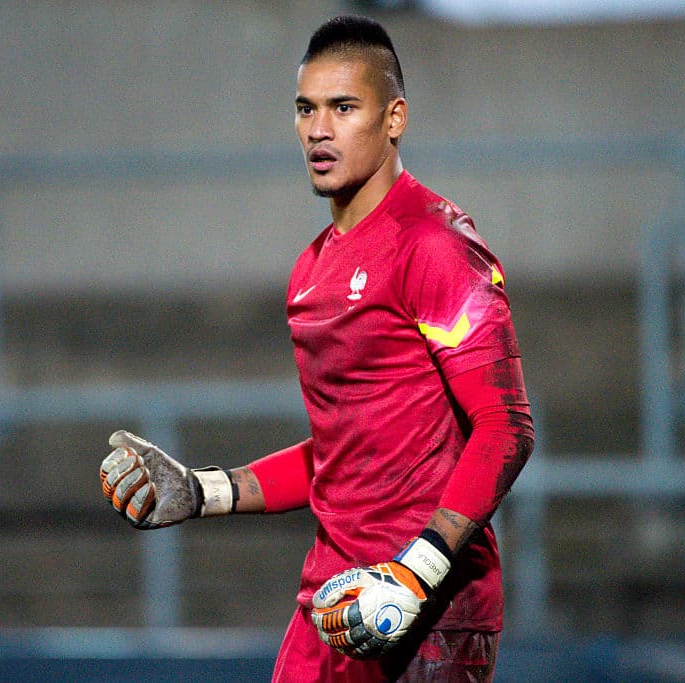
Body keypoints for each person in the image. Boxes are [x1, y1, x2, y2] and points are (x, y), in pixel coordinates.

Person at [99, 14, 534, 682]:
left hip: (428, 610)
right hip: (330, 602)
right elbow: (346, 454)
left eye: (343, 107)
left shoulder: (434, 246)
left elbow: (506, 426)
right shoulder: (311, 271)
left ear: (394, 119)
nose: (319, 129)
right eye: (306, 109)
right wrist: (203, 489)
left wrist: (415, 572)